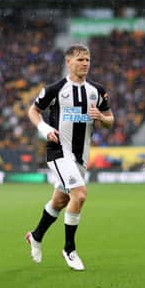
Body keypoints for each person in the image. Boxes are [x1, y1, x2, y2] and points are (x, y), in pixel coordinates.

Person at [25, 44, 114, 271]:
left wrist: (101, 118)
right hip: (58, 151)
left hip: (81, 154)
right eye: (80, 59)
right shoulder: (56, 89)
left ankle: (36, 236)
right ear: (68, 62)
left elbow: (110, 119)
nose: (85, 63)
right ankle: (69, 248)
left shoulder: (96, 90)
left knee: (61, 201)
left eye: (87, 59)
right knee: (80, 194)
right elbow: (33, 111)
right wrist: (44, 129)